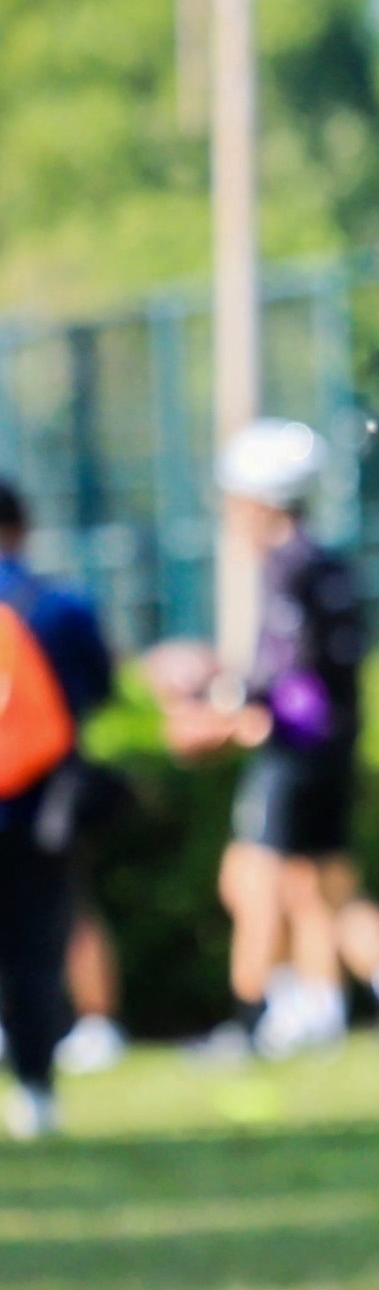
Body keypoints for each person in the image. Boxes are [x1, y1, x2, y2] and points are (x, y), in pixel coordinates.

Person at [162, 419, 379, 1058]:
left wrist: (231, 715)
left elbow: (295, 685)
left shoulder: (289, 568)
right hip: (332, 753)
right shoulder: (328, 564)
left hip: (299, 756)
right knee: (327, 885)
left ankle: (250, 1020)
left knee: (250, 879)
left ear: (259, 499)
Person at [0, 478, 116, 1137]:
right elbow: (97, 689)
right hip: (40, 809)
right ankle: (37, 1093)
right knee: (36, 952)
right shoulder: (60, 606)